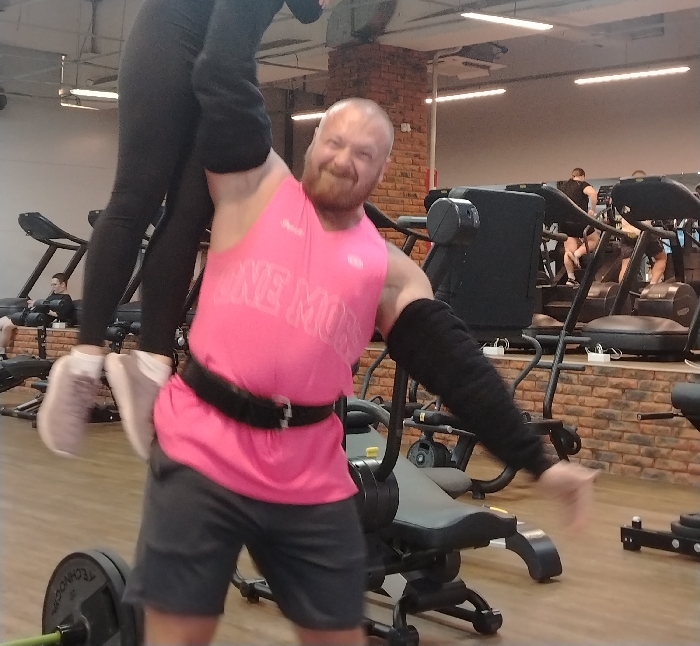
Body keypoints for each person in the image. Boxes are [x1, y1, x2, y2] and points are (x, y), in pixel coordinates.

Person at [95, 98, 593, 646]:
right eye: (334, 142)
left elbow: (459, 369)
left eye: (363, 154)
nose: (343, 160)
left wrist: (539, 463)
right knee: (178, 634)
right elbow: (225, 84)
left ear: (382, 171)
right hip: (201, 449)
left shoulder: (389, 271)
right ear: (312, 144)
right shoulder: (253, 187)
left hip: (308, 472)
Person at [37, 0, 399, 459]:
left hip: (228, 58)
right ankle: (83, 359)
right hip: (174, 27)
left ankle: (150, 363)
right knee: (137, 193)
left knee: (191, 212)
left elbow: (313, 7)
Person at [0, 273, 72, 358]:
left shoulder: (66, 300)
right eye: (52, 285)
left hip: (34, 318)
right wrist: (35, 304)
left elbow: (58, 315)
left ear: (63, 284)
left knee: (7, 326)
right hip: (27, 313)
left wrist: (43, 307)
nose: (53, 287)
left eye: (55, 285)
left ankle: (2, 352)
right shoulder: (53, 296)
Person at [618, 170, 667, 286]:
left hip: (627, 234)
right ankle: (652, 285)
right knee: (661, 258)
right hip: (644, 233)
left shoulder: (624, 196)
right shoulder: (648, 195)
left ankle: (622, 292)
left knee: (626, 264)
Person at [559, 168, 599, 286]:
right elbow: (593, 193)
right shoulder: (581, 184)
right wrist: (592, 210)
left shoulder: (563, 187)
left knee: (568, 250)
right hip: (579, 220)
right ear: (582, 176)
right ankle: (577, 254)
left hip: (565, 222)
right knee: (595, 240)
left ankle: (571, 278)